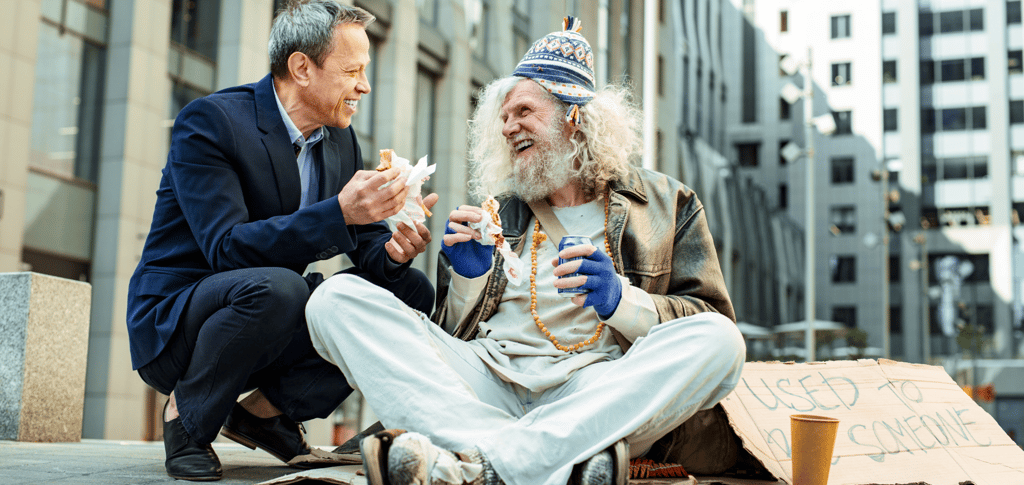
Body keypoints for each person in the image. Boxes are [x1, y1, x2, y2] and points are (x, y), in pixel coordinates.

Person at [305, 16, 744, 485]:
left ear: (574, 117)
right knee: (335, 299)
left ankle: (478, 462)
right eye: (504, 118)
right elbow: (450, 340)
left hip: (594, 389)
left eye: (523, 112)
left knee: (720, 341)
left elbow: (705, 314)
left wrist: (622, 300)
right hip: (486, 381)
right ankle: (536, 459)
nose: (508, 128)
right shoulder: (501, 213)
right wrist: (466, 279)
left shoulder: (667, 203)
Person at [126, 1, 437, 481]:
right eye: (352, 71)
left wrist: (394, 252)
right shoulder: (211, 122)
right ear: (301, 68)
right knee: (281, 287)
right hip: (179, 320)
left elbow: (365, 242)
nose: (365, 86)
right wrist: (338, 213)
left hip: (269, 317)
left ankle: (263, 414)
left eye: (365, 71)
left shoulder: (340, 141)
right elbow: (225, 248)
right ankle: (186, 420)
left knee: (410, 293)